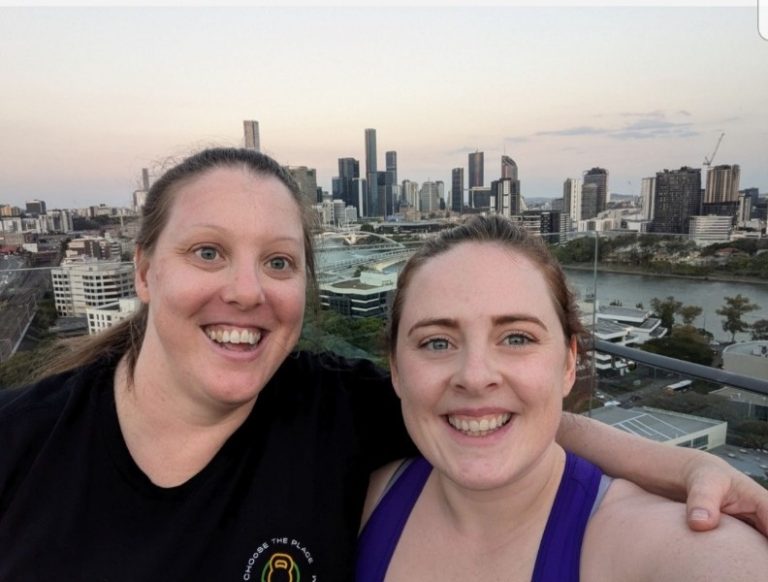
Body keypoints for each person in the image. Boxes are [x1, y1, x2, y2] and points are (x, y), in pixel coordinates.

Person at [0, 149, 765, 581]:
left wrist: (685, 468)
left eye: (278, 261)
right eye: (208, 252)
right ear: (143, 271)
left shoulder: (332, 414)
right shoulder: (22, 445)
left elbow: (493, 416)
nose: (246, 291)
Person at [357, 215, 768, 581]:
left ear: (569, 363)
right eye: (436, 343)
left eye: (517, 338)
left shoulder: (658, 543)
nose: (475, 377)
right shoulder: (356, 501)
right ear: (396, 370)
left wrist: (689, 465)